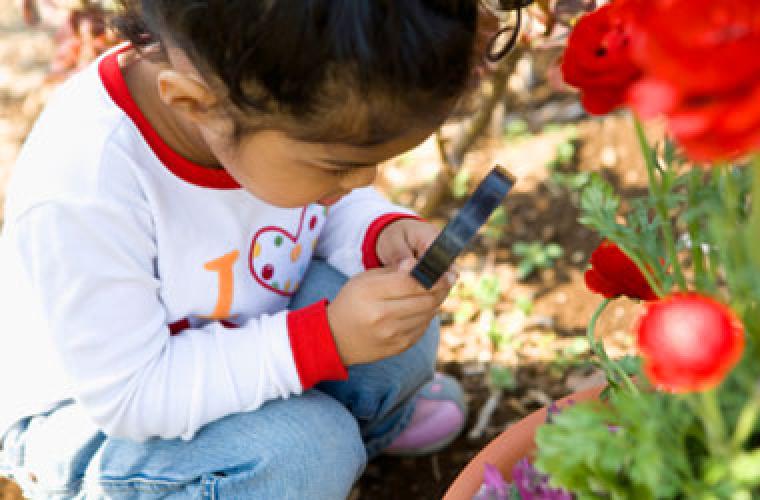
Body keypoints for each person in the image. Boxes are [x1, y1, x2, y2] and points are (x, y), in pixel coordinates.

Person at [0, 1, 485, 498]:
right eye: (339, 165)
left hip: (229, 338)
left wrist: (378, 231)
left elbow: (329, 206)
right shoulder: (88, 182)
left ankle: (338, 453)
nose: (365, 180)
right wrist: (324, 341)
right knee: (306, 450)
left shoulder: (253, 111)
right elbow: (132, 395)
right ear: (194, 104)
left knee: (397, 334)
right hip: (98, 418)